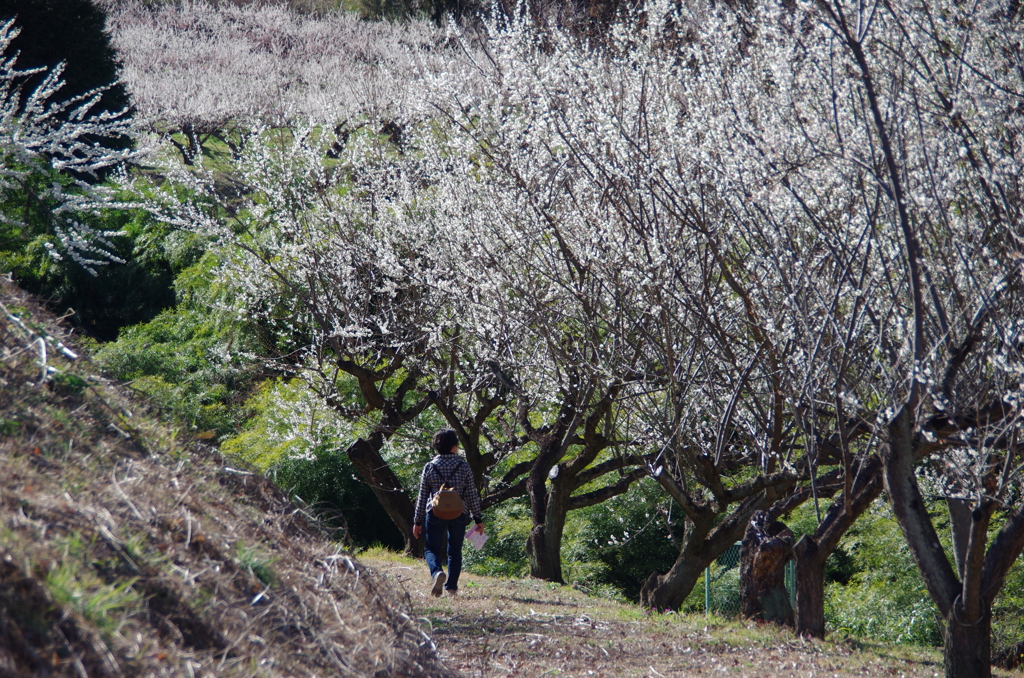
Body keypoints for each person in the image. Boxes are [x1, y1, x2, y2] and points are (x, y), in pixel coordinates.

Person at [412, 429, 485, 598]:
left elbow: (422, 496)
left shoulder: (429, 467)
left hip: (435, 513)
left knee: (431, 549)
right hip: (459, 514)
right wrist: (478, 518)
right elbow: (471, 494)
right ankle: (451, 588)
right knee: (455, 551)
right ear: (454, 447)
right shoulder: (463, 466)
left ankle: (437, 573)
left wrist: (417, 521)